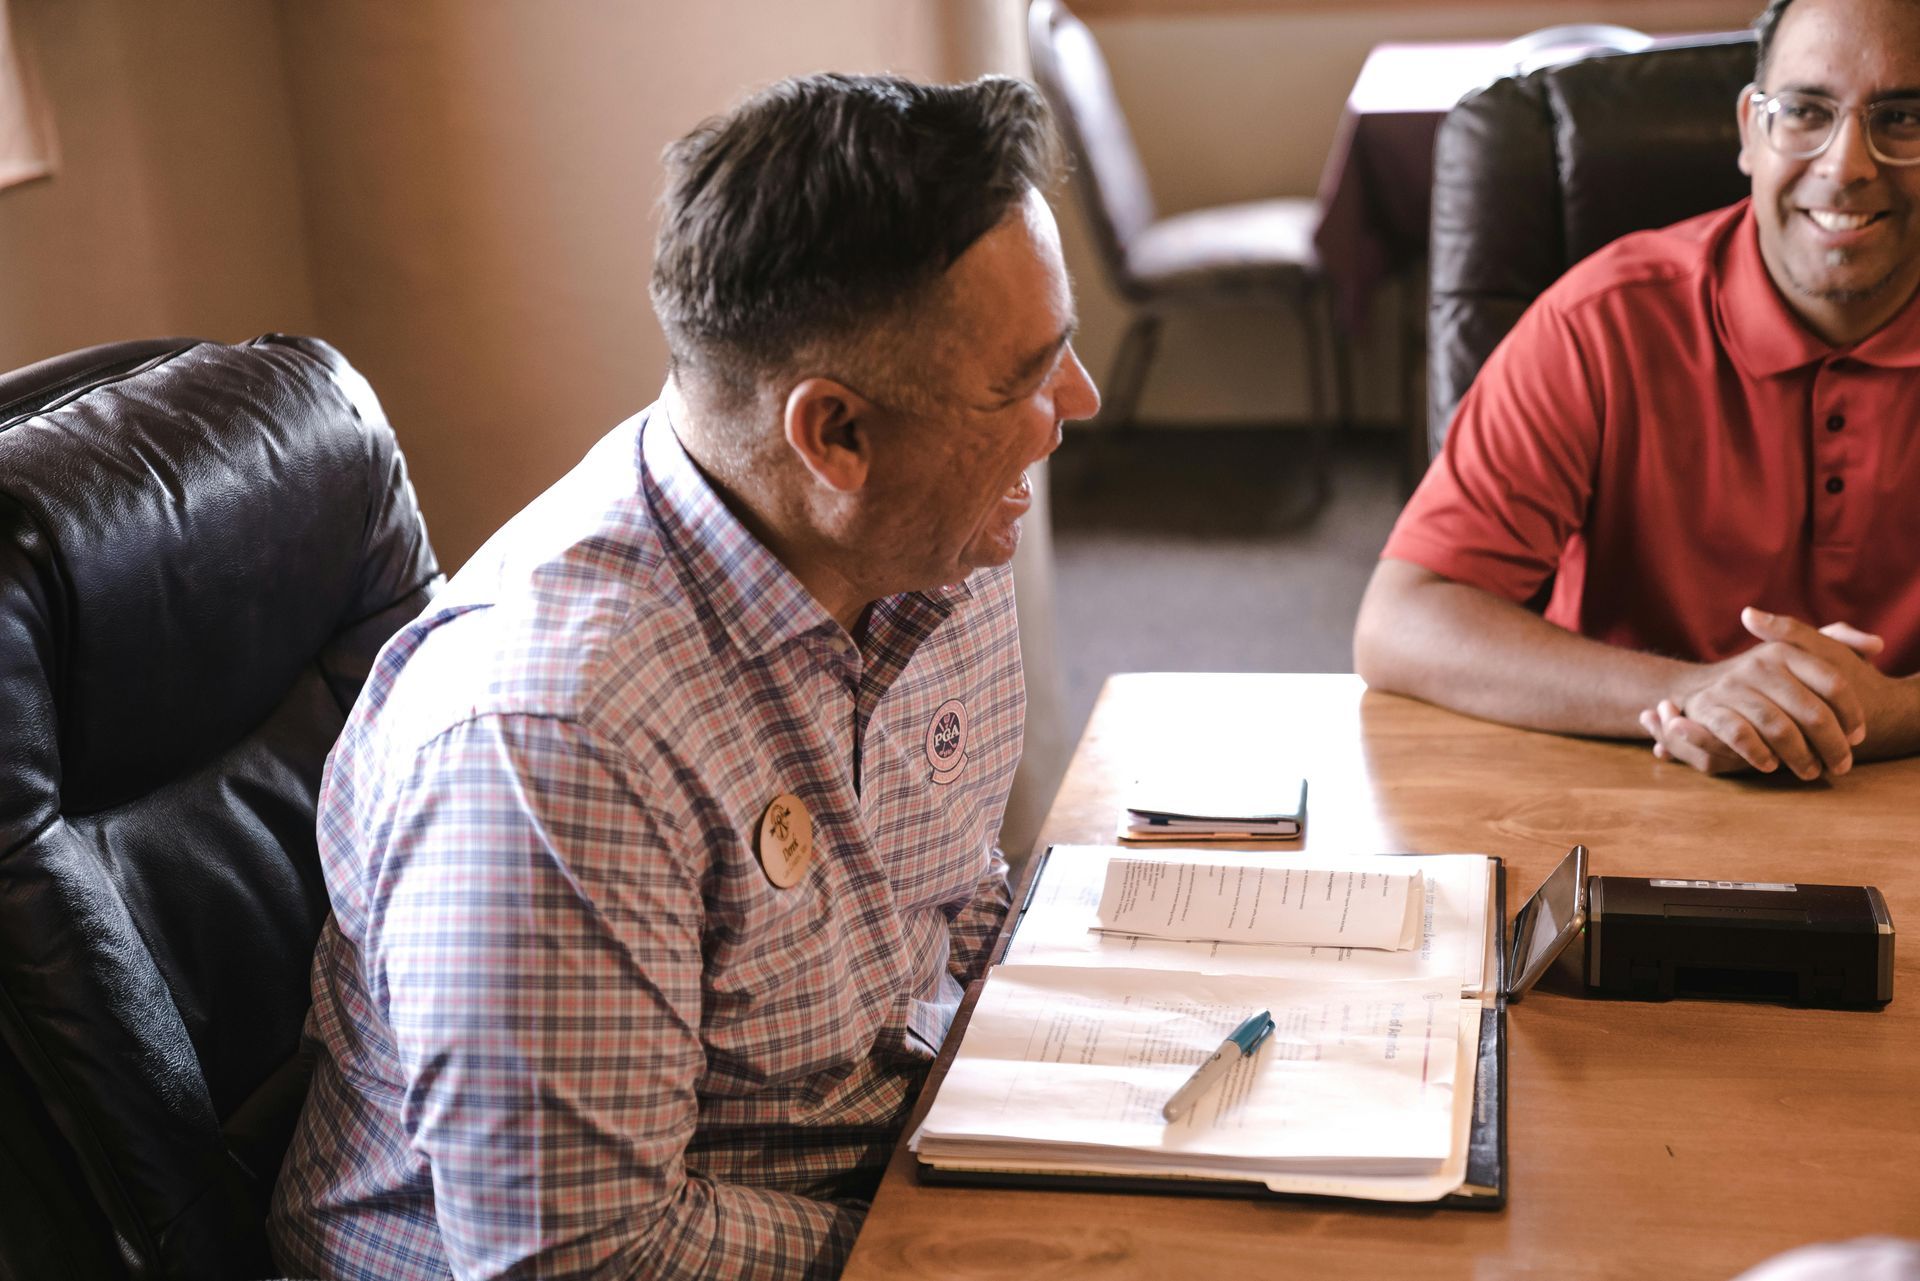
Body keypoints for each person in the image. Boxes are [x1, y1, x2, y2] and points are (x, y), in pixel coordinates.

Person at [268, 72, 1099, 1280]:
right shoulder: (551, 738)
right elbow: (580, 1256)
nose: (1072, 405)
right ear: (837, 437)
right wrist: (966, 1246)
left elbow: (948, 909)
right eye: (1024, 378)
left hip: (852, 1165)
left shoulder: (932, 542)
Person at [1354, 0, 1920, 781]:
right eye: (1804, 111)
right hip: (1627, 794)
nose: (1848, 164)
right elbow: (1402, 620)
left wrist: (1887, 712)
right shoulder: (1599, 322)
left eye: (1904, 118)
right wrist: (1695, 690)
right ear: (1750, 131)